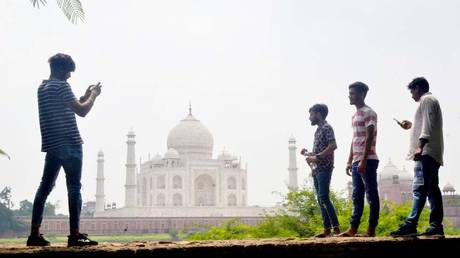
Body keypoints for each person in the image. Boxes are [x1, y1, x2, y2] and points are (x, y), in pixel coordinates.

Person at [27, 53, 101, 247]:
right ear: (60, 69)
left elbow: (66, 107)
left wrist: (83, 96)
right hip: (70, 143)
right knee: (74, 188)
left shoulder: (43, 88)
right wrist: (93, 95)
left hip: (52, 145)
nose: (70, 76)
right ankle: (74, 235)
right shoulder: (62, 86)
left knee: (44, 187)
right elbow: (82, 111)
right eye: (68, 71)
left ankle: (34, 234)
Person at [390, 77, 444, 238]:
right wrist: (412, 126)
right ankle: (436, 226)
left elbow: (427, 127)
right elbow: (428, 123)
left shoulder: (426, 100)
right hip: (431, 153)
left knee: (419, 188)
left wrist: (420, 146)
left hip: (426, 153)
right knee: (432, 189)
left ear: (418, 88)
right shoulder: (430, 101)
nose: (411, 94)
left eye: (412, 90)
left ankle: (410, 225)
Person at [339, 82, 380, 237]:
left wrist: (363, 160)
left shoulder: (369, 112)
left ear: (362, 94)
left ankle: (371, 229)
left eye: (353, 93)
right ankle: (353, 229)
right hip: (357, 160)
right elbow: (355, 139)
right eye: (350, 93)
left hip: (368, 160)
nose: (350, 96)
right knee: (357, 196)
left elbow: (369, 137)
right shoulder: (355, 115)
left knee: (371, 194)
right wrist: (350, 161)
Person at [304, 104, 340, 237]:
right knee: (320, 199)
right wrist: (309, 154)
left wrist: (316, 157)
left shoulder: (326, 127)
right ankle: (327, 229)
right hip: (317, 169)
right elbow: (319, 151)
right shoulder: (318, 130)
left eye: (311, 114)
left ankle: (336, 229)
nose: (309, 118)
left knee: (324, 197)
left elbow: (333, 146)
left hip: (325, 167)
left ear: (318, 114)